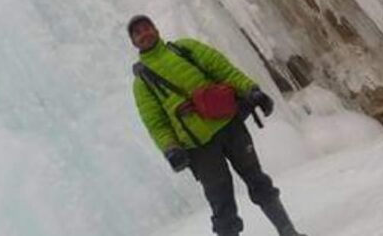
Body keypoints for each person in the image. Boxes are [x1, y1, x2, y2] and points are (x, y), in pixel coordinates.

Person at [127, 15, 306, 236]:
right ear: (134, 42)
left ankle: (289, 232)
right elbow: (156, 123)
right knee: (222, 205)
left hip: (229, 126)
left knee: (258, 181)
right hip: (198, 148)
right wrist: (171, 148)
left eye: (147, 28)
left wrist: (251, 90)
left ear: (156, 29)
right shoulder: (142, 83)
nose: (144, 34)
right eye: (138, 33)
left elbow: (223, 70)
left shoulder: (184, 48)